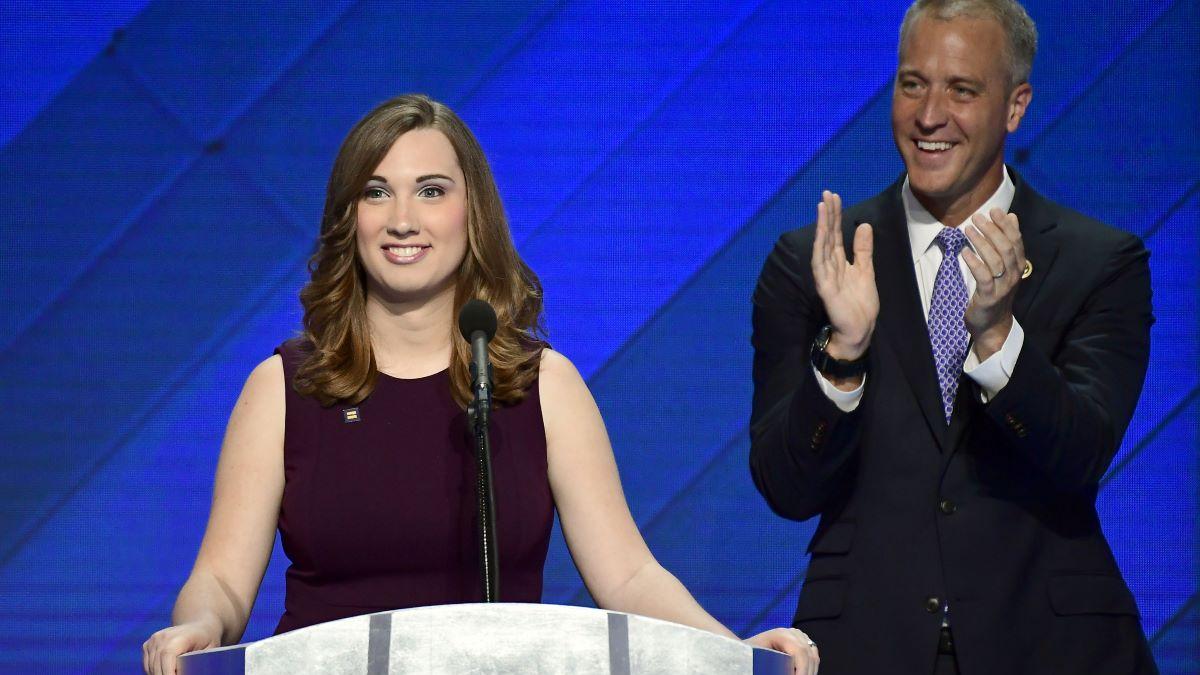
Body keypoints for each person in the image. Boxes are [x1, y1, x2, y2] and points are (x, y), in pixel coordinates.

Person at [143, 94, 818, 675]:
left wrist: (733, 652)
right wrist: (198, 624)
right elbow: (223, 579)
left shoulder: (541, 385)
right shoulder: (284, 387)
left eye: (431, 190)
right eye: (377, 191)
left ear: (473, 214)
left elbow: (628, 575)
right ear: (350, 218)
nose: (402, 217)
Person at [749, 1, 1156, 674]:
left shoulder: (1099, 262)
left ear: (1015, 105)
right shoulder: (815, 261)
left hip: (1052, 646)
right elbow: (786, 486)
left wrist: (999, 340)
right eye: (913, 84)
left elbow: (1081, 453)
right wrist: (842, 357)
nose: (929, 115)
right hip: (869, 644)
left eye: (961, 89)